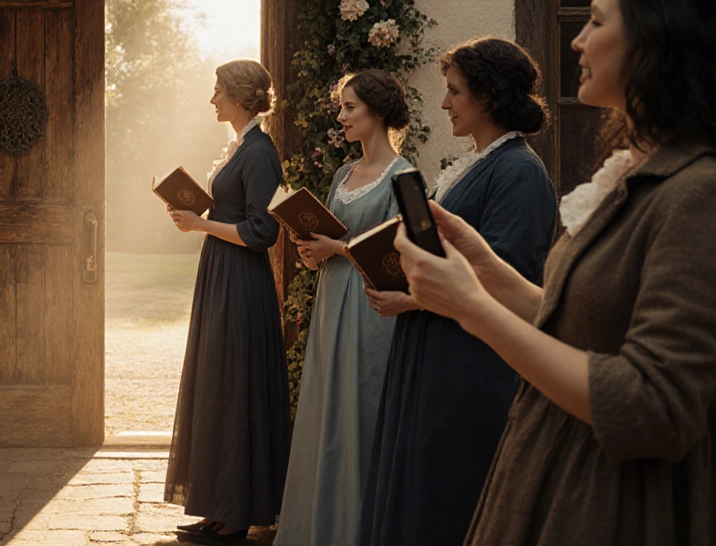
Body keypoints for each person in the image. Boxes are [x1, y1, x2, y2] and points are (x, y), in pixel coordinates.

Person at [395, 0, 716, 546]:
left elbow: (655, 408)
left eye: (598, 22)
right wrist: (485, 267)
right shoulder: (639, 174)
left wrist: (471, 307)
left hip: (618, 502)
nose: (578, 40)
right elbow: (580, 326)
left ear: (661, 39)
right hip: (560, 469)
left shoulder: (707, 192)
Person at [357, 37, 557, 546]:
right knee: (418, 481)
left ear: (488, 95)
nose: (444, 103)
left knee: (448, 491)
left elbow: (507, 276)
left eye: (454, 91)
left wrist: (410, 298)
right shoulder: (477, 162)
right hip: (433, 347)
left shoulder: (519, 171)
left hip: (468, 362)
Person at [275, 70, 413, 546]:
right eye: (341, 107)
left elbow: (400, 254)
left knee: (362, 409)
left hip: (371, 307)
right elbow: (331, 240)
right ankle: (319, 528)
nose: (341, 116)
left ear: (377, 111)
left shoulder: (405, 176)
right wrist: (312, 251)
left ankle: (358, 531)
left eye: (349, 107)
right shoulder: (342, 174)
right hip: (332, 298)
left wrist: (336, 247)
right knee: (325, 408)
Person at [164, 59, 290, 544]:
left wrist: (200, 223)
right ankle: (219, 507)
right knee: (219, 384)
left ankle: (237, 514)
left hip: (241, 280)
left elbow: (263, 231)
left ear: (238, 96)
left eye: (218, 90)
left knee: (236, 386)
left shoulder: (259, 152)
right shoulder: (242, 146)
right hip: (222, 273)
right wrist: (199, 212)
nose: (212, 99)